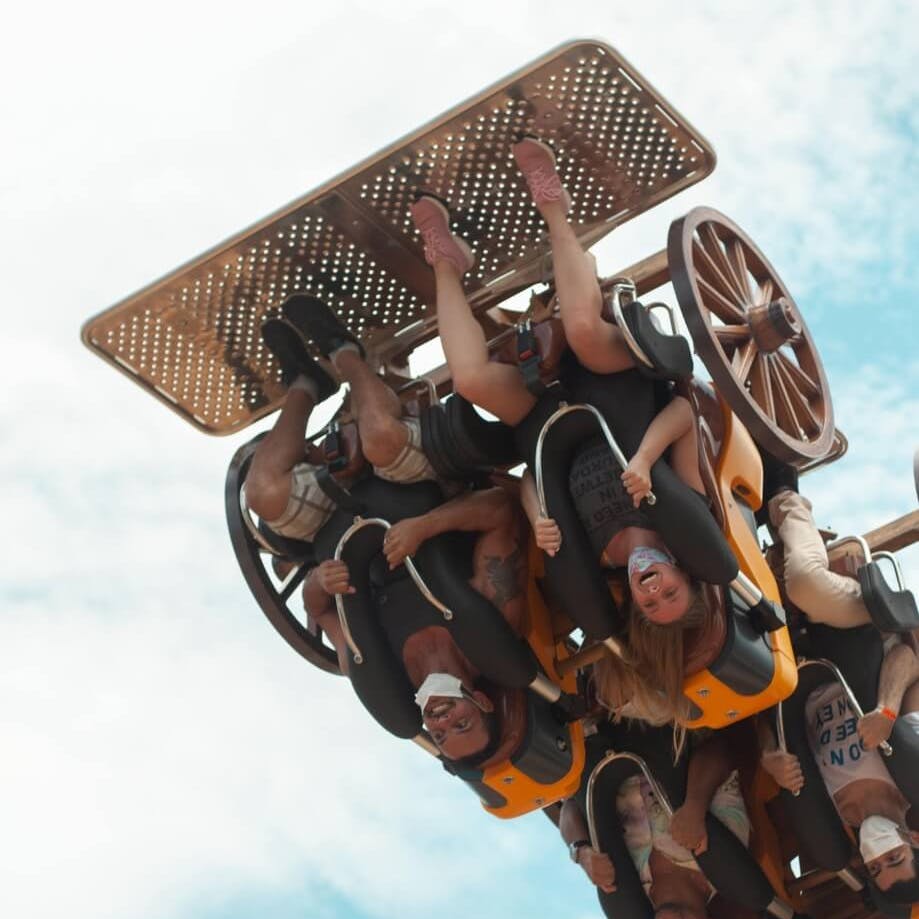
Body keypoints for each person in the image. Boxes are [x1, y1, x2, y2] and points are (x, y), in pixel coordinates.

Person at [409, 137, 707, 629]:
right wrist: (644, 460)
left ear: (635, 601)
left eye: (650, 605)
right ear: (683, 574)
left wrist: (536, 516)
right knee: (583, 332)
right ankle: (553, 205)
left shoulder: (597, 557)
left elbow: (535, 478)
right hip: (616, 385)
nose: (655, 592)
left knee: (472, 382)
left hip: (552, 417)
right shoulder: (681, 520)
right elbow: (683, 414)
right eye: (670, 593)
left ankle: (445, 261)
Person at [761, 481, 919, 900]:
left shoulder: (833, 813)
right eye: (894, 857)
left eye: (874, 866)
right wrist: (887, 712)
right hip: (858, 629)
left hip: (798, 665)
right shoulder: (911, 777)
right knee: (804, 584)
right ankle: (784, 497)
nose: (877, 853)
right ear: (914, 843)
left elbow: (773, 730)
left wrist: (770, 757)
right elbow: (908, 659)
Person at [302, 481, 529, 763]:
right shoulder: (495, 622)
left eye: (439, 735)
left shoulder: (376, 667)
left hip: (330, 526)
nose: (442, 721)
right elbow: (501, 510)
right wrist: (425, 526)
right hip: (408, 486)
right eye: (461, 724)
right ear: (482, 701)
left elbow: (318, 610)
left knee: (267, 494)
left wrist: (320, 580)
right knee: (379, 450)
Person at [244, 294, 444, 544]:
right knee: (381, 435)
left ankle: (307, 383)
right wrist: (424, 527)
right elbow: (489, 505)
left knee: (263, 491)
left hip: (346, 531)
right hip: (425, 493)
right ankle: (343, 351)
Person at [559, 724, 756, 919]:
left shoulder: (624, 885)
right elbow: (719, 751)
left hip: (583, 741)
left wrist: (581, 851)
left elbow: (570, 806)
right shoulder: (723, 860)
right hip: (653, 721)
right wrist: (695, 805)